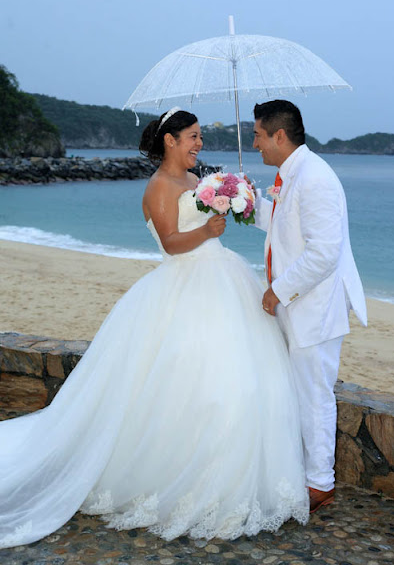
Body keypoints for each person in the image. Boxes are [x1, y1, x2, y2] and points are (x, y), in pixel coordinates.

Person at [0, 108, 309, 549]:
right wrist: (207, 229)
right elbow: (170, 241)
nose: (199, 144)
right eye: (193, 137)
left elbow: (208, 222)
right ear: (170, 140)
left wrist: (234, 199)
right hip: (183, 284)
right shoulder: (159, 186)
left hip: (223, 278)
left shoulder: (197, 181)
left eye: (200, 137)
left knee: (242, 377)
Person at [252, 100, 367, 513]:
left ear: (279, 136)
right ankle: (306, 472)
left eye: (258, 135)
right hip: (299, 307)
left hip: (314, 309)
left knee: (315, 394)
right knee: (300, 391)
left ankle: (320, 483)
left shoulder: (315, 177)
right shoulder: (293, 175)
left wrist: (278, 290)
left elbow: (324, 253)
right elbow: (286, 228)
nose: (256, 143)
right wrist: (248, 205)